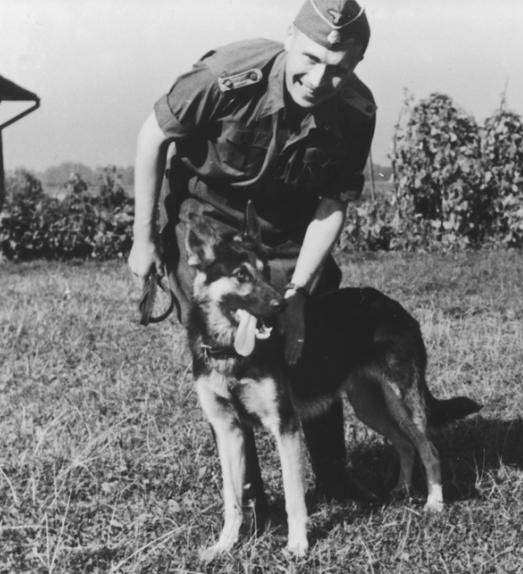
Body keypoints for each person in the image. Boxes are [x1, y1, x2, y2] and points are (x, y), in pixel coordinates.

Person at [127, 0, 376, 517]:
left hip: (288, 230)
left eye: (339, 68)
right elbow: (152, 137)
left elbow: (332, 204)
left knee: (312, 336)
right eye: (310, 58)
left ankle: (334, 474)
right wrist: (144, 238)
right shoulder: (226, 77)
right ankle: (250, 497)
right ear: (290, 36)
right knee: (227, 346)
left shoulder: (355, 109)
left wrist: (302, 289)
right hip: (207, 218)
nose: (319, 79)